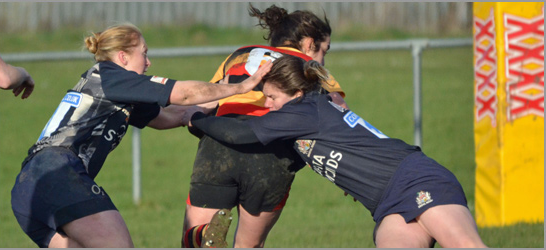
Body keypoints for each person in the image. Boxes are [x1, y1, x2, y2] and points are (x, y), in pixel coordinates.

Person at [10, 23, 271, 248]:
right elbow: (184, 94)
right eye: (144, 54)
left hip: (27, 190)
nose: (148, 62)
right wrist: (242, 85)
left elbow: (176, 115)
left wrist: (226, 95)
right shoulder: (112, 76)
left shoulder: (117, 90)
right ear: (122, 57)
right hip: (57, 174)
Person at [188, 55, 488, 248]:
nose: (267, 105)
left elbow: (239, 133)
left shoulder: (303, 110)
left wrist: (195, 117)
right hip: (387, 203)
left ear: (297, 94)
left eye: (272, 97)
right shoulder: (307, 109)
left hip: (416, 180)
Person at [182, 4, 348, 248]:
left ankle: (205, 236)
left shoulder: (240, 54)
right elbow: (340, 113)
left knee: (195, 241)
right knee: (249, 245)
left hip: (220, 144)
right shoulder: (311, 67)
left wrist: (192, 120)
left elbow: (208, 99)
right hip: (272, 153)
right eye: (325, 50)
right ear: (310, 43)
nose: (323, 58)